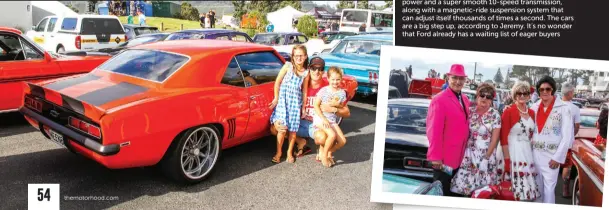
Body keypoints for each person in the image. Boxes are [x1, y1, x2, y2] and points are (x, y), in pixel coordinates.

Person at [270, 57, 351, 162]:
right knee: (275, 129)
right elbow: (283, 98)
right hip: (298, 122)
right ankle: (300, 141)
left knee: (322, 137)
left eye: (320, 69)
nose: (316, 71)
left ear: (323, 71)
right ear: (309, 69)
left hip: (316, 124)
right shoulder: (299, 83)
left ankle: (322, 149)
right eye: (313, 68)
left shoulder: (328, 87)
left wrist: (334, 110)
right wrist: (276, 119)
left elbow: (347, 112)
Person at [426, 64, 471, 197]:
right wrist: (436, 158)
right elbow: (433, 131)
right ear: (448, 78)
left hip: (459, 159)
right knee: (441, 196)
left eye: (461, 79)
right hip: (443, 161)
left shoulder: (465, 99)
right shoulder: (439, 100)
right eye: (455, 78)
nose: (458, 82)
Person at [450, 83, 502, 196]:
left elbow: (495, 139)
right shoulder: (469, 111)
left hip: (485, 155)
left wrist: (486, 158)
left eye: (488, 97)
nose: (484, 99)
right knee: (463, 188)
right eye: (482, 95)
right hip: (469, 154)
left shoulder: (495, 115)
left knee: (482, 191)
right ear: (477, 96)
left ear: (491, 100)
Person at [531, 76, 574, 204]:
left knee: (549, 189)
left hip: (551, 157)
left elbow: (568, 136)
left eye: (548, 89)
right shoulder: (534, 107)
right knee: (536, 188)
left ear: (553, 90)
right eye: (541, 89)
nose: (544, 92)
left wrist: (558, 157)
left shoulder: (563, 108)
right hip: (535, 155)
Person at [499, 81, 541, 201]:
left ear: (529, 96)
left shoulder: (532, 113)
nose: (522, 96)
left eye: (525, 93)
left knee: (526, 191)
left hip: (527, 152)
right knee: (511, 192)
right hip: (513, 152)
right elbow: (503, 139)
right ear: (514, 95)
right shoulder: (508, 112)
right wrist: (507, 161)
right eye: (519, 93)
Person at [269, 45, 310, 164]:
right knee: (281, 129)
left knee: (292, 130)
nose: (299, 58)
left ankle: (289, 152)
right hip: (283, 102)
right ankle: (278, 152)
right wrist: (276, 98)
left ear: (305, 56)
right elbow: (277, 82)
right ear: (293, 56)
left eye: (301, 55)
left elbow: (305, 91)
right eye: (296, 55)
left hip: (295, 104)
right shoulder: (287, 66)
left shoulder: (305, 73)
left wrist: (303, 108)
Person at [313, 67, 347, 168]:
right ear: (328, 78)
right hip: (321, 118)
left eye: (338, 79)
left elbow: (342, 106)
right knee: (331, 135)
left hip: (332, 120)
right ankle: (324, 156)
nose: (335, 82)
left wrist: (336, 105)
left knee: (342, 141)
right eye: (333, 79)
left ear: (341, 79)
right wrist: (323, 119)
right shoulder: (324, 90)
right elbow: (316, 105)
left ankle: (328, 152)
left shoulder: (342, 93)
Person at [559, 83, 581, 197]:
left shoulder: (555, 106)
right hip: (567, 143)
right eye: (573, 92)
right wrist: (571, 134)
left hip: (553, 141)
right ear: (570, 93)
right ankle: (565, 189)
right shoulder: (575, 108)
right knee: (567, 166)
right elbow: (577, 126)